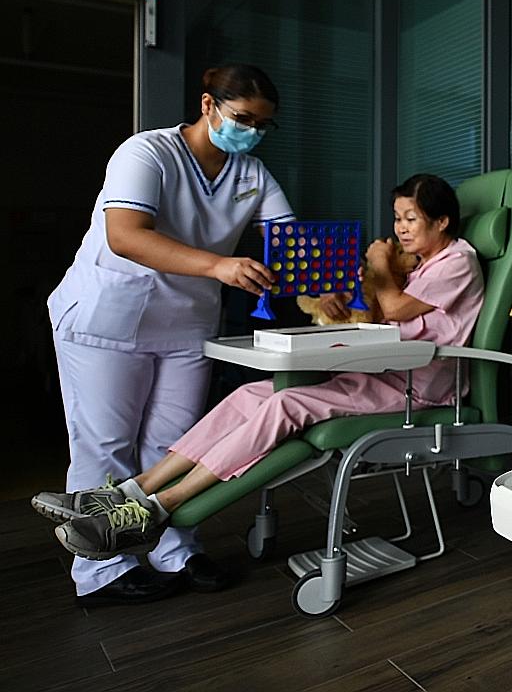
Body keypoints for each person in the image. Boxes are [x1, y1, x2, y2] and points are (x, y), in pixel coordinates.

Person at [35, 174, 484, 584]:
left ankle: (157, 509)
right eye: (397, 219)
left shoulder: (457, 260)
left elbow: (397, 310)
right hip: (381, 375)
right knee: (253, 391)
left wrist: (381, 268)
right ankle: (137, 487)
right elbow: (382, 316)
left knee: (286, 405)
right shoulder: (420, 264)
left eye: (411, 218)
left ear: (442, 220)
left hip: (418, 390)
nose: (401, 228)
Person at [39, 65, 293, 605]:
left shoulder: (252, 175)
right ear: (208, 106)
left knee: (175, 446)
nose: (250, 132)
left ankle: (174, 549)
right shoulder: (146, 153)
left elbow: (289, 242)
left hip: (185, 325)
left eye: (262, 125)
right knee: (106, 446)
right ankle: (102, 570)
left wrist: (322, 287)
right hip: (108, 319)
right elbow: (126, 236)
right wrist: (220, 267)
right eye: (242, 119)